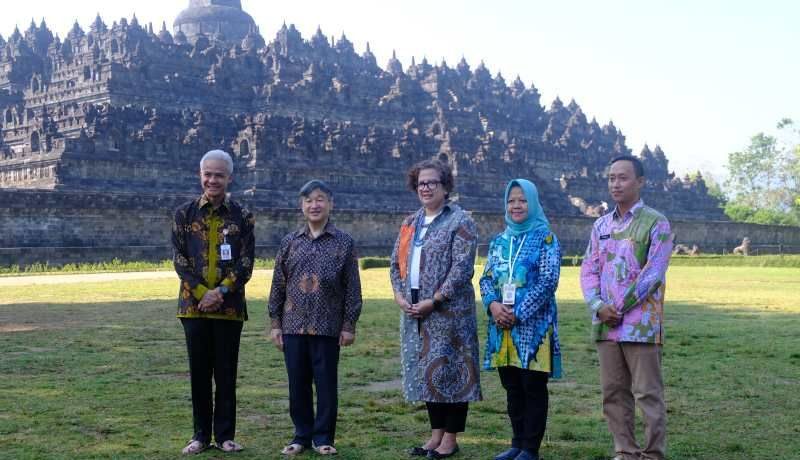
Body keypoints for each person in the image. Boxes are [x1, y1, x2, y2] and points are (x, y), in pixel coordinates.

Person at [580, 155, 674, 460]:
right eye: (611, 178)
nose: (615, 184)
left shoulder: (656, 223)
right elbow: (588, 269)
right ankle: (625, 451)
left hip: (640, 324)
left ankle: (652, 453)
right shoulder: (601, 225)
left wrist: (616, 307)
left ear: (640, 182)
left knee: (647, 393)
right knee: (613, 392)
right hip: (606, 324)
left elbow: (653, 273)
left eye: (622, 177)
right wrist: (597, 305)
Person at [389, 159, 481, 459]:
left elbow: (462, 267)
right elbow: (396, 264)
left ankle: (450, 439)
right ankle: (435, 435)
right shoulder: (410, 223)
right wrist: (400, 296)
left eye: (432, 182)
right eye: (421, 183)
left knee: (451, 371)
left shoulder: (460, 220)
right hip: (415, 307)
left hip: (448, 310)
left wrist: (436, 299)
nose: (425, 188)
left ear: (445, 187)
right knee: (426, 371)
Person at [267, 180, 362, 457]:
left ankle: (323, 438)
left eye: (320, 199)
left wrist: (349, 325)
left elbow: (352, 288)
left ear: (330, 204)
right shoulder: (290, 242)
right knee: (297, 383)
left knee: (325, 384)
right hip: (293, 324)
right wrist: (275, 324)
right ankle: (301, 436)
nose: (314, 205)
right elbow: (278, 285)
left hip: (327, 325)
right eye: (309, 200)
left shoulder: (343, 242)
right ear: (302, 206)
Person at [171, 149, 255, 455]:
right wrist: (200, 293)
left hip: (229, 308)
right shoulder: (184, 214)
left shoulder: (243, 216)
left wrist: (220, 292)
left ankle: (225, 436)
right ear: (200, 175)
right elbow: (180, 261)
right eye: (208, 174)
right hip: (192, 308)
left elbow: (246, 262)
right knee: (199, 374)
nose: (212, 180)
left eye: (219, 175)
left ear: (229, 178)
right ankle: (200, 435)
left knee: (226, 374)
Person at [480, 179, 562, 460]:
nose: (516, 205)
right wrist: (492, 305)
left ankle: (530, 448)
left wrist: (518, 312)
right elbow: (486, 278)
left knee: (532, 387)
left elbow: (549, 281)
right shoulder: (498, 241)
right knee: (512, 386)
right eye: (511, 200)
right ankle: (516, 442)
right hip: (501, 327)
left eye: (522, 200)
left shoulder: (546, 238)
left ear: (533, 203)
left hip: (533, 327)